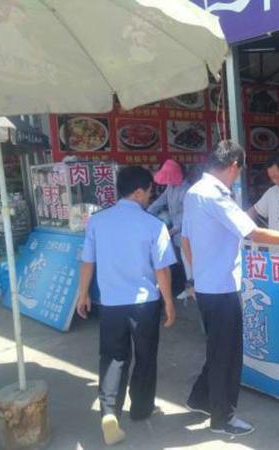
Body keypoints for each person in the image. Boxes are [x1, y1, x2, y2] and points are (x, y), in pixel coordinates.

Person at [181, 141, 279, 437]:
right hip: (223, 288)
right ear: (234, 166)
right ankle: (223, 419)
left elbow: (185, 240)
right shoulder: (216, 195)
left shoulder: (194, 192)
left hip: (208, 287)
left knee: (217, 348)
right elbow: (253, 232)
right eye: (239, 171)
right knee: (228, 354)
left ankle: (200, 398)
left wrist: (198, 276)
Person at [76, 166, 176, 446]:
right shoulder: (153, 225)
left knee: (112, 358)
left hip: (111, 305)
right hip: (145, 305)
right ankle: (142, 408)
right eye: (150, 191)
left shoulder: (98, 221)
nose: (150, 196)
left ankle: (109, 413)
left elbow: (87, 262)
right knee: (145, 356)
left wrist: (83, 294)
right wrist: (169, 302)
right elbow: (162, 270)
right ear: (138, 192)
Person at [148, 159, 191, 297]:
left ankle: (190, 288)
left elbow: (189, 216)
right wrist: (145, 214)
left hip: (186, 232)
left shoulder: (187, 190)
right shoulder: (170, 187)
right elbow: (159, 202)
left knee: (188, 261)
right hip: (175, 232)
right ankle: (183, 287)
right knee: (179, 261)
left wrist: (173, 230)